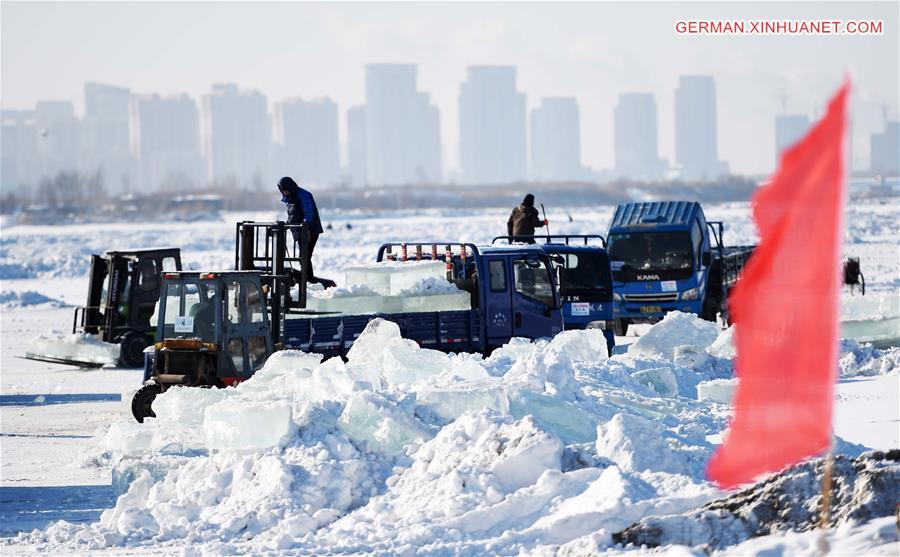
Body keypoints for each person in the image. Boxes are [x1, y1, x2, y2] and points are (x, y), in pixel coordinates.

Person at [277, 177, 335, 287]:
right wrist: (284, 226)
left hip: (309, 231)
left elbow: (309, 213)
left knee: (304, 257)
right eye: (283, 190)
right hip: (300, 232)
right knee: (303, 257)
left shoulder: (303, 195)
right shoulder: (290, 198)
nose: (285, 192)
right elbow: (293, 216)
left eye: (286, 189)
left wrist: (306, 229)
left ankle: (309, 280)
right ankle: (308, 279)